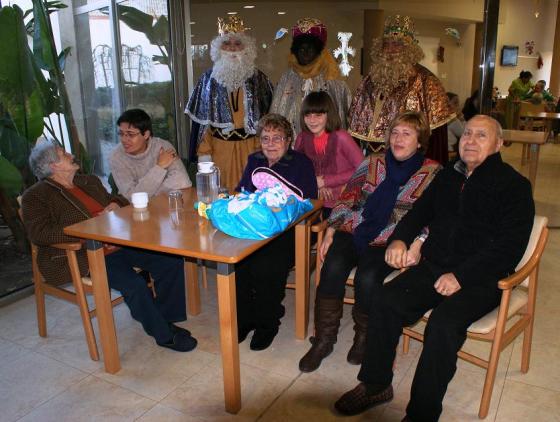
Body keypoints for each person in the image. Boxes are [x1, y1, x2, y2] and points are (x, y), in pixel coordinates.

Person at [334, 115, 535, 422]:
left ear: (499, 144)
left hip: (481, 279)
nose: (470, 140)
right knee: (385, 300)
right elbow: (420, 212)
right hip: (436, 266)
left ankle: (421, 414)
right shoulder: (449, 175)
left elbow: (510, 248)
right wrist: (399, 239)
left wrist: (461, 277)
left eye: (481, 136)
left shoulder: (514, 186)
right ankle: (375, 385)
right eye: (467, 134)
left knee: (442, 324)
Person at [298, 111, 441, 372]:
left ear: (420, 141)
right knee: (332, 267)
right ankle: (324, 340)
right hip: (356, 227)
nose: (398, 139)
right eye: (394, 133)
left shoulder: (432, 172)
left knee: (367, 277)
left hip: (394, 238)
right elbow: (348, 195)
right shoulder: (373, 161)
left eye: (406, 134)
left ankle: (364, 338)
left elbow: (435, 215)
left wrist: (419, 241)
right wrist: (331, 229)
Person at [22, 142, 197, 352]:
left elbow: (116, 198)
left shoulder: (88, 181)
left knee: (170, 259)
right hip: (86, 253)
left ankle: (164, 318)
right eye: (63, 154)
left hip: (119, 242)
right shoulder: (36, 196)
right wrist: (86, 230)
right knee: (134, 284)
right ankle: (164, 335)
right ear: (54, 166)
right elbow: (39, 233)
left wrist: (115, 203)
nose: (70, 154)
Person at [235, 113, 318, 351]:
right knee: (239, 263)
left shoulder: (301, 163)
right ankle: (246, 319)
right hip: (258, 226)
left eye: (277, 138)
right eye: (265, 138)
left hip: (293, 228)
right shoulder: (254, 160)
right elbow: (242, 191)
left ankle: (267, 324)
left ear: (288, 140)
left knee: (266, 266)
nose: (270, 144)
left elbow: (309, 202)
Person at [348, 15, 454, 165]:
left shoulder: (427, 81)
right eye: (387, 44)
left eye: (397, 44)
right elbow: (354, 129)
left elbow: (436, 137)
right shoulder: (369, 81)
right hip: (369, 161)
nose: (391, 49)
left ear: (409, 49)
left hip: (408, 162)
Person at [185, 15, 273, 192]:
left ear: (246, 48)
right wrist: (204, 156)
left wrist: (265, 153)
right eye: (226, 43)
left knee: (252, 195)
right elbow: (202, 127)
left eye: (238, 43)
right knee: (221, 197)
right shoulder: (207, 80)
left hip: (251, 151)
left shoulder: (260, 80)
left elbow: (269, 121)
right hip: (220, 154)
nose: (232, 48)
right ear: (219, 48)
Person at [270, 18, 352, 134]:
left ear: (318, 51)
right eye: (301, 49)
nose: (305, 53)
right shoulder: (287, 78)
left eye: (310, 49)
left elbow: (342, 116)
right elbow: (276, 114)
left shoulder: (332, 78)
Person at [294, 91, 363, 216]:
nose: (312, 120)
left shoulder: (342, 137)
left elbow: (363, 169)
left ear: (328, 115)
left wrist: (326, 181)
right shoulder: (302, 138)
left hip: (343, 201)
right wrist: (316, 184)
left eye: (318, 115)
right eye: (307, 115)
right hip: (312, 200)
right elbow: (298, 169)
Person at [109, 108, 191, 200]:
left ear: (146, 134)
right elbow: (131, 197)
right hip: (138, 208)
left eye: (130, 134)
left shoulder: (163, 147)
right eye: (121, 134)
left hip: (163, 204)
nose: (124, 140)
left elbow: (183, 181)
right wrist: (159, 167)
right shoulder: (116, 157)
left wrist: (144, 192)